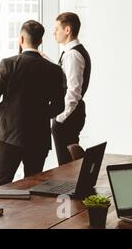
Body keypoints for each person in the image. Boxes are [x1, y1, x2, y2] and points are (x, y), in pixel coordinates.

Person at [0, 20, 65, 187]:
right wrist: (40, 115)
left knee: (1, 185)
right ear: (40, 41)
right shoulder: (54, 70)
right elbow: (59, 106)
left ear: (21, 39)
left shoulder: (9, 64)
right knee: (34, 186)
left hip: (9, 135)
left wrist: (0, 114)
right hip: (39, 136)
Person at [52, 12, 91, 165]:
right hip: (72, 114)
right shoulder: (72, 53)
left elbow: (73, 91)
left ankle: (70, 189)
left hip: (68, 116)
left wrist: (59, 118)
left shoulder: (73, 55)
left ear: (67, 30)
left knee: (66, 165)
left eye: (56, 28)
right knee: (69, 165)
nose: (54, 32)